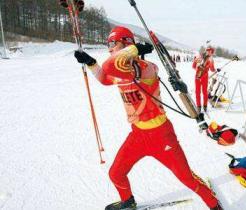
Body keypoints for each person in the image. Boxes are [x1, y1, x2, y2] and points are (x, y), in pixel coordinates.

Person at [74, 26, 222, 210]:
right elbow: (105, 78)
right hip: (138, 136)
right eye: (108, 43)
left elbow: (111, 66)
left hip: (162, 136)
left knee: (187, 178)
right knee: (116, 173)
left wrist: (134, 50)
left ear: (127, 43)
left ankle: (214, 204)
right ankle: (128, 202)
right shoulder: (121, 71)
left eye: (113, 43)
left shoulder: (145, 68)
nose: (109, 47)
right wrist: (90, 62)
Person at [192, 47, 220, 112]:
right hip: (200, 77)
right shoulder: (208, 59)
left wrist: (216, 70)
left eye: (210, 52)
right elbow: (193, 66)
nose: (210, 53)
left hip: (200, 77)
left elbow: (212, 69)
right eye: (209, 51)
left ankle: (203, 106)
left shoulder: (201, 57)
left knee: (201, 92)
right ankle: (201, 106)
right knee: (200, 92)